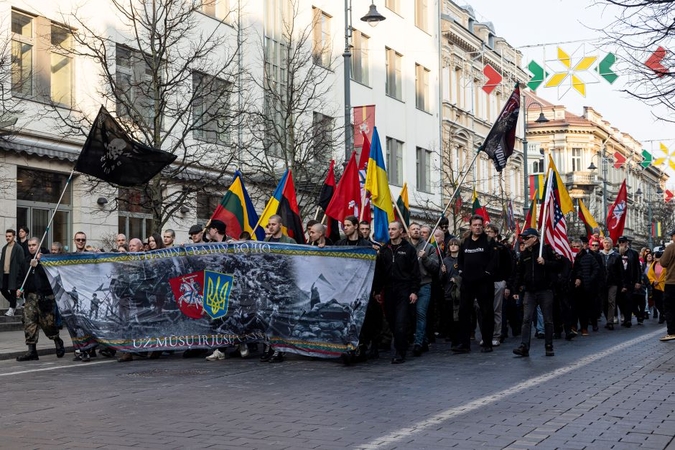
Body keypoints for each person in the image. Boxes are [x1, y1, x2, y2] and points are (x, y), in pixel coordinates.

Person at [372, 221, 420, 364]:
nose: (391, 231)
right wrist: (378, 290)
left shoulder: (409, 249)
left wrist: (414, 291)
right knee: (392, 320)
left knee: (400, 321)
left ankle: (400, 351)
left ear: (400, 231)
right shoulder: (385, 249)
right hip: (388, 289)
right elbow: (380, 272)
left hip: (404, 289)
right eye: (389, 229)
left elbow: (415, 273)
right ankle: (403, 340)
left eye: (394, 229)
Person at [512, 228, 561, 357]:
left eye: (526, 238)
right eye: (523, 238)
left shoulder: (546, 250)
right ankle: (524, 346)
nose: (524, 240)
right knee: (526, 319)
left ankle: (549, 345)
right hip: (530, 291)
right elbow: (519, 272)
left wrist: (545, 262)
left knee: (548, 320)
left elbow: (558, 265)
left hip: (545, 290)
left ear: (534, 238)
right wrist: (516, 289)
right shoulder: (524, 254)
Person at [15, 237, 65, 361]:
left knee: (48, 324)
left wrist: (39, 265)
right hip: (31, 297)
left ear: (39, 245)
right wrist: (19, 288)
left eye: (34, 245)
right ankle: (32, 351)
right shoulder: (25, 261)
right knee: (29, 323)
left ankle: (57, 341)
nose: (31, 247)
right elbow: (21, 276)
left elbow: (52, 276)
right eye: (29, 245)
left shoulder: (47, 258)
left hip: (45, 297)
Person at [454, 215, 497, 354]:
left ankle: (487, 342)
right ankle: (464, 344)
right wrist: (461, 271)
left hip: (484, 283)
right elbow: (460, 259)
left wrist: (487, 273)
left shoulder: (489, 241)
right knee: (464, 312)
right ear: (470, 226)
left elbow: (494, 260)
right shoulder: (465, 242)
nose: (477, 227)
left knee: (486, 312)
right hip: (467, 282)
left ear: (483, 226)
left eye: (480, 225)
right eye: (475, 225)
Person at [407, 223, 439, 357]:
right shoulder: (405, 247)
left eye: (418, 229)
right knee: (409, 315)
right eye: (413, 229)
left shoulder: (429, 247)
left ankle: (418, 342)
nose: (416, 231)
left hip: (424, 284)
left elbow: (435, 267)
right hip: (408, 286)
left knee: (421, 313)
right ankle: (422, 339)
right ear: (409, 231)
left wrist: (425, 258)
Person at [485, 224, 513, 347]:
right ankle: (487, 335)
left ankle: (496, 335)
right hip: (485, 282)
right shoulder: (482, 247)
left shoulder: (502, 248)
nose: (487, 234)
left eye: (490, 232)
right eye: (486, 231)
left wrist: (506, 284)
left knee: (497, 310)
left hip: (498, 281)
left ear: (495, 233)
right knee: (483, 309)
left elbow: (509, 267)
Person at [571, 238, 600, 335]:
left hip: (585, 287)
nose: (576, 248)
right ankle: (574, 326)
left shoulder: (588, 257)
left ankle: (584, 327)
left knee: (584, 309)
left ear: (582, 246)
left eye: (578, 246)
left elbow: (596, 268)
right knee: (573, 308)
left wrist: (590, 278)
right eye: (574, 247)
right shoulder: (571, 257)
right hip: (573, 286)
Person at [617, 236, 642, 327]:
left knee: (629, 300)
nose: (622, 244)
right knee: (621, 301)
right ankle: (637, 315)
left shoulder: (633, 253)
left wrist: (638, 281)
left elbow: (638, 268)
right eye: (620, 242)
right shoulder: (616, 253)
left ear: (627, 243)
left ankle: (628, 320)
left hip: (631, 280)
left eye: (623, 242)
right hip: (620, 281)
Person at [656, 230, 675, 342]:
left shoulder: (671, 247)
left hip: (672, 282)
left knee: (669, 308)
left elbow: (663, 262)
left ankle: (672, 332)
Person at [1, 229, 25, 317]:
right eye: (6, 236)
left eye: (9, 236)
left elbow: (22, 262)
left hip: (14, 273)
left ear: (14, 236)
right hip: (5, 273)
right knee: (3, 289)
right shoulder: (4, 248)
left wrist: (19, 274)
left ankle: (12, 308)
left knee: (12, 290)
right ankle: (15, 302)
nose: (8, 238)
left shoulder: (18, 248)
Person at [599, 237, 621, 330]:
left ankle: (610, 321)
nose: (607, 244)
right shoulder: (599, 255)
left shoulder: (616, 256)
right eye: (605, 243)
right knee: (604, 302)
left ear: (611, 244)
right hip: (602, 282)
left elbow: (620, 271)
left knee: (611, 301)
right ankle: (608, 317)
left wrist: (621, 284)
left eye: (608, 243)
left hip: (613, 282)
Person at [647, 249, 666, 325]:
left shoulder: (665, 265)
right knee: (657, 302)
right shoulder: (653, 265)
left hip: (664, 286)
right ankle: (662, 313)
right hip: (655, 286)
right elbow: (649, 274)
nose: (655, 259)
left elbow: (668, 274)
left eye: (656, 257)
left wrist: (661, 280)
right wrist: (653, 281)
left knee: (663, 301)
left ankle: (662, 315)